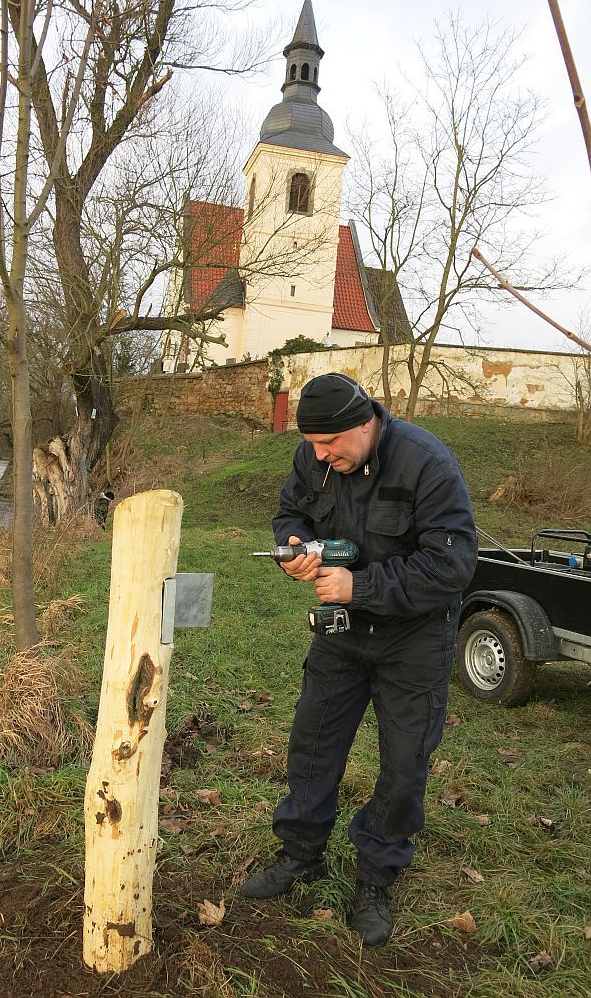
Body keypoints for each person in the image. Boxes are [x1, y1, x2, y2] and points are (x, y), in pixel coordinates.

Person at [240, 373, 478, 947]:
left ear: (364, 423)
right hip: (342, 634)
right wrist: (294, 549)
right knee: (313, 743)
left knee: (403, 763)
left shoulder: (426, 463)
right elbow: (289, 514)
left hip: (414, 638)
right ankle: (301, 853)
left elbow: (452, 567)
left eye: (331, 446)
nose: (320, 457)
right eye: (314, 447)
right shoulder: (313, 455)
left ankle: (376, 875)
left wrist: (359, 586)